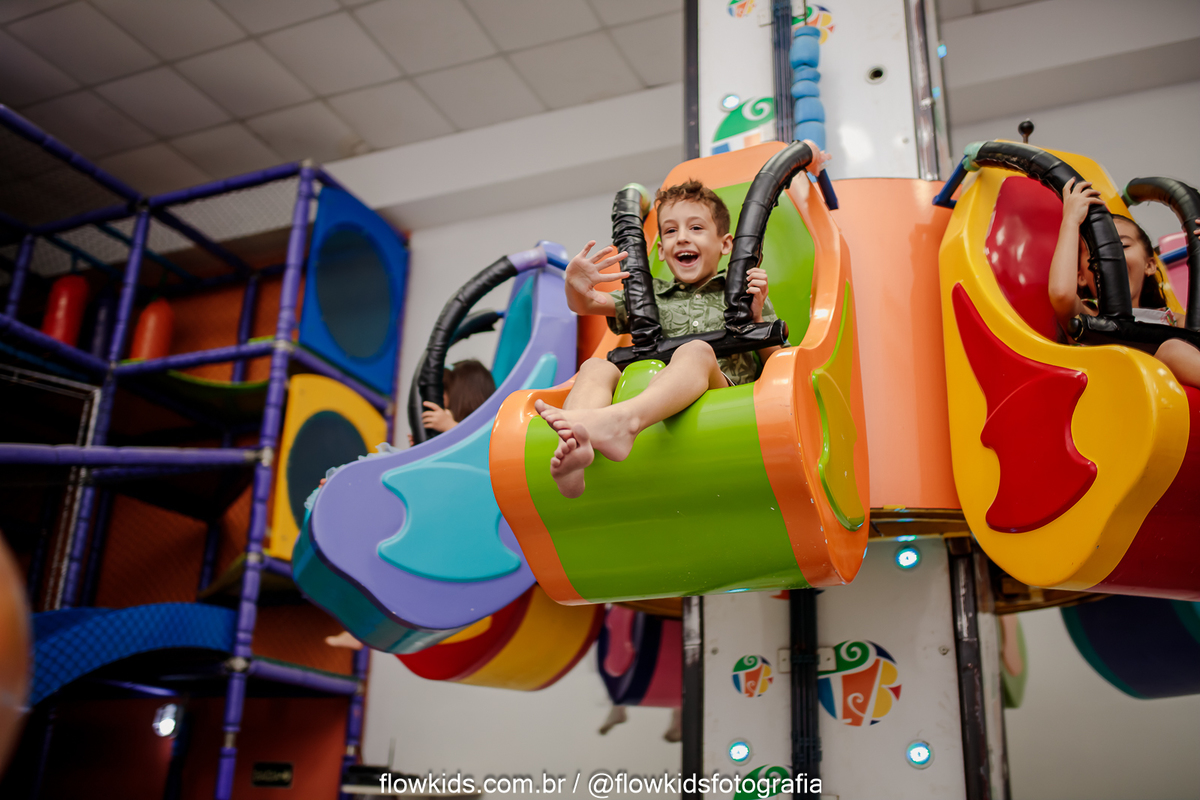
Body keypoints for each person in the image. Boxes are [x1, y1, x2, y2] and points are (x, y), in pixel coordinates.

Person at [536, 146, 830, 499]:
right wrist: (574, 285)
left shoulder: (742, 293)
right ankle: (575, 448)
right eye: (671, 231)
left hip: (727, 402)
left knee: (695, 351)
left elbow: (781, 368)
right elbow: (586, 304)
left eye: (696, 228)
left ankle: (624, 422)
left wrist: (755, 317)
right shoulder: (653, 296)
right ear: (661, 251)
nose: (683, 237)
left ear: (726, 244)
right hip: (655, 396)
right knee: (595, 366)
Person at [1048, 178, 1200, 388]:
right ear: (1080, 276)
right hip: (1118, 398)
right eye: (1097, 250)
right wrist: (1071, 221)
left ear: (1150, 265)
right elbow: (1061, 293)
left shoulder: (1173, 321)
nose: (1112, 257)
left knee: (1175, 348)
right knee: (1171, 350)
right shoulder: (1089, 317)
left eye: (1123, 246)